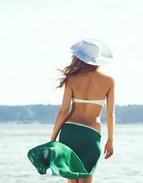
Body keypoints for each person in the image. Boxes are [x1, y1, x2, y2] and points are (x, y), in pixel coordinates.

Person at [27, 38, 115, 183]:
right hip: (90, 133)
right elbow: (110, 114)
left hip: (70, 132)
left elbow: (63, 111)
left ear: (80, 58)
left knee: (71, 178)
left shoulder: (72, 79)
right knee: (85, 176)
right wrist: (110, 141)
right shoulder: (108, 81)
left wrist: (53, 139)